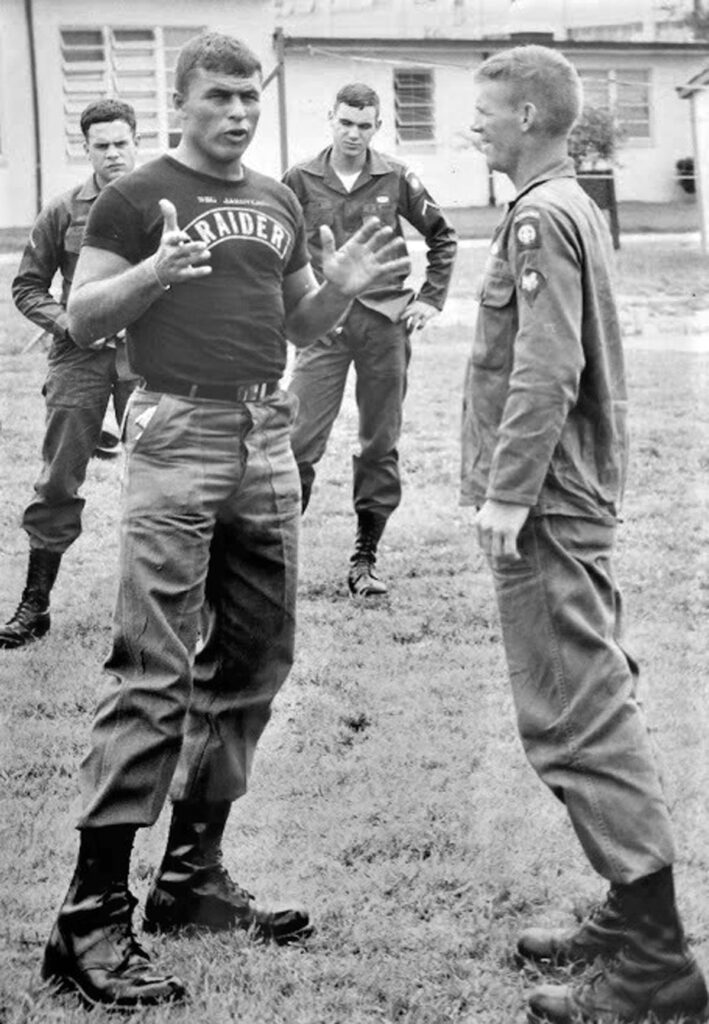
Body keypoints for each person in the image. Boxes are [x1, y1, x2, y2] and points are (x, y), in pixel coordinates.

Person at [41, 32, 410, 1010]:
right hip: (176, 427)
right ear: (181, 100)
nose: (240, 110)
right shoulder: (134, 196)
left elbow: (296, 322)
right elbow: (80, 318)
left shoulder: (281, 199)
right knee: (154, 669)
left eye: (251, 94)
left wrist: (339, 288)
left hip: (263, 428)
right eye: (221, 94)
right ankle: (86, 921)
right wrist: (156, 269)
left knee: (256, 656)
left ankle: (191, 880)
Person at [461, 45, 707, 1024]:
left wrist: (509, 493)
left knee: (576, 715)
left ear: (525, 114)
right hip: (571, 495)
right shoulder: (569, 205)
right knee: (589, 695)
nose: (475, 126)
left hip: (549, 502)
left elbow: (546, 367)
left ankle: (655, 962)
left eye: (485, 111)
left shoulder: (539, 216)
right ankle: (627, 911)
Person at [284, 83, 457, 597]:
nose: (354, 134)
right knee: (297, 439)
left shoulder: (396, 176)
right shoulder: (300, 178)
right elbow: (279, 246)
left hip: (384, 323)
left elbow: (442, 234)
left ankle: (365, 559)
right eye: (346, 123)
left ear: (377, 127)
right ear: (330, 119)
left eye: (364, 125)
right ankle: (274, 558)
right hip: (325, 326)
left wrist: (430, 297)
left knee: (379, 442)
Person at [0, 99, 141, 650]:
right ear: (87, 149)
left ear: (136, 140)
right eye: (101, 145)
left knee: (160, 472)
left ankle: (165, 606)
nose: (112, 153)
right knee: (59, 478)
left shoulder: (160, 203)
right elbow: (27, 287)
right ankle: (35, 606)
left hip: (146, 357)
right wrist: (71, 325)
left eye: (120, 142)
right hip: (79, 359)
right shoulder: (62, 210)